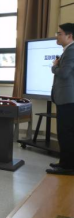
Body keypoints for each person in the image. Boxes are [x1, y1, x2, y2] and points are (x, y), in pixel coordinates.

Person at [48, 23, 74, 175]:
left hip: (68, 100)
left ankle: (67, 166)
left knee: (66, 133)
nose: (57, 36)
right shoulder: (68, 50)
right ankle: (64, 163)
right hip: (66, 99)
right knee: (65, 133)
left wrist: (54, 66)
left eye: (59, 33)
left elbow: (64, 74)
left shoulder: (71, 51)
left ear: (69, 36)